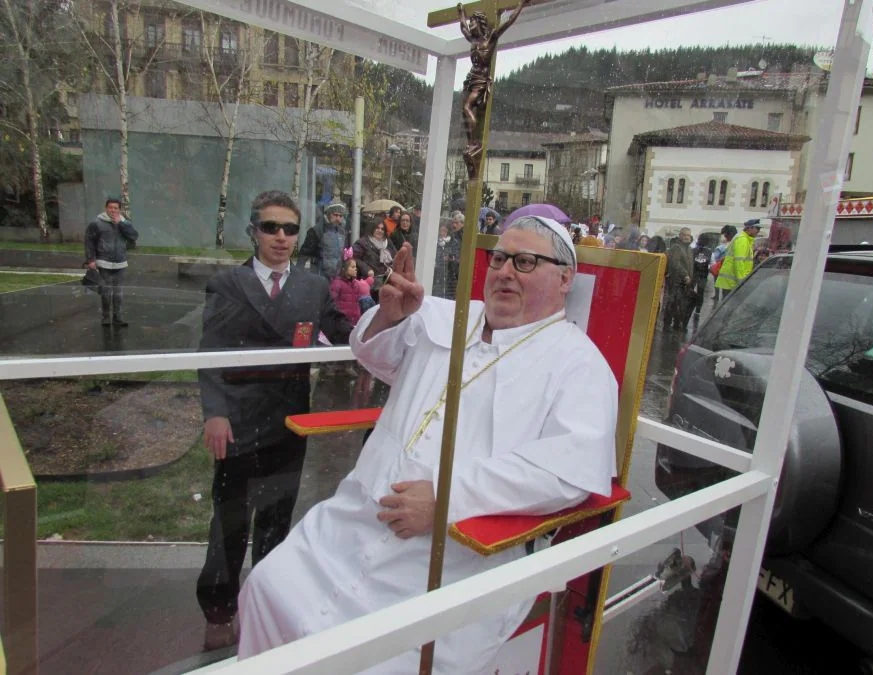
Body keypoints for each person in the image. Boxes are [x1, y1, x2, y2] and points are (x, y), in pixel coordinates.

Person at [237, 215, 618, 673]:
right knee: (265, 587)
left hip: (453, 555)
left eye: (524, 262)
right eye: (498, 258)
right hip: (355, 519)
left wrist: (445, 498)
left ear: (564, 279)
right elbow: (377, 357)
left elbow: (567, 471)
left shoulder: (579, 363)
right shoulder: (447, 314)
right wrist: (390, 316)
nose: (503, 272)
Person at [195, 190, 352, 651]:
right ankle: (220, 610)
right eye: (271, 227)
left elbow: (344, 332)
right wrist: (215, 413)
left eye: (290, 229)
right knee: (230, 519)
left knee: (276, 518)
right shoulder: (228, 284)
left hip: (289, 421)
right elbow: (209, 353)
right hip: (238, 422)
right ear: (253, 231)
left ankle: (265, 601)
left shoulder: (312, 287)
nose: (281, 237)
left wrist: (388, 316)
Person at [457, 0, 530, 177]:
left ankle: (474, 142)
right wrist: (461, 14)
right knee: (465, 110)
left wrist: (520, 5)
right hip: (471, 78)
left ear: (480, 24)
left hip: (481, 79)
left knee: (467, 107)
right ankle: (472, 142)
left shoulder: (490, 38)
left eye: (474, 22)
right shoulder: (473, 40)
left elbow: (509, 21)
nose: (471, 25)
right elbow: (463, 28)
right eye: (471, 22)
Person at [84, 197, 138, 327]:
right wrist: (90, 260)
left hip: (120, 263)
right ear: (106, 208)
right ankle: (106, 318)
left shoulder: (124, 222)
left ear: (119, 210)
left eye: (116, 208)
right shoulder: (97, 223)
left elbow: (134, 236)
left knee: (118, 293)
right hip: (104, 262)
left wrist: (121, 224)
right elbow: (89, 242)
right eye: (110, 207)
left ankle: (118, 318)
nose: (113, 210)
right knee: (106, 292)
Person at [298, 199, 350, 280]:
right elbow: (304, 253)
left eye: (340, 216)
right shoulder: (317, 230)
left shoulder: (342, 232)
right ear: (329, 214)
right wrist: (298, 273)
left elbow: (343, 254)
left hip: (337, 276)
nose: (338, 218)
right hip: (319, 275)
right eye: (335, 215)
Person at [714, 219, 760, 300]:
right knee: (728, 308)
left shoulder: (744, 239)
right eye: (757, 228)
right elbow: (739, 262)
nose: (758, 231)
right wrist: (741, 281)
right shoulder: (742, 240)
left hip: (732, 281)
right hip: (733, 282)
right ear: (749, 228)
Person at [353, 221, 398, 293]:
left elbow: (396, 257)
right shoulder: (362, 242)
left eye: (382, 229)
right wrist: (367, 269)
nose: (380, 230)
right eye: (377, 228)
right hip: (368, 283)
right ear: (372, 229)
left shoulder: (388, 242)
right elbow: (354, 258)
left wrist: (391, 268)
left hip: (386, 282)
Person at [330, 255, 374, 327]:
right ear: (344, 269)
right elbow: (332, 302)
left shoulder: (355, 284)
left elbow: (365, 287)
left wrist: (369, 280)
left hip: (355, 322)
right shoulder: (337, 283)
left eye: (356, 267)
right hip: (342, 323)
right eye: (353, 267)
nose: (356, 269)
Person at [664, 228, 694, 331]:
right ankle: (667, 325)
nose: (687, 237)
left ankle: (677, 323)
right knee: (672, 302)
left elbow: (690, 265)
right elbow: (675, 263)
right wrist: (685, 275)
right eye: (685, 235)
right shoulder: (676, 247)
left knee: (681, 303)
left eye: (688, 235)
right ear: (680, 236)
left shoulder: (689, 248)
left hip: (685, 282)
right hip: (676, 281)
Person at [689, 233, 713, 325]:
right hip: (702, 275)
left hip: (695, 274)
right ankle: (697, 311)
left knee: (692, 292)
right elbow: (712, 264)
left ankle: (691, 309)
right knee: (700, 293)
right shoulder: (710, 252)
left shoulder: (693, 250)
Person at [710, 225, 737, 303]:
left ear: (730, 234)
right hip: (728, 276)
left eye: (725, 235)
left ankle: (717, 297)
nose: (725, 237)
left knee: (726, 299)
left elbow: (716, 256)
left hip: (729, 277)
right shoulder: (732, 243)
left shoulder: (732, 244)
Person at [432, 221, 453, 298]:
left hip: (447, 271)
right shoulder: (435, 242)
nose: (442, 233)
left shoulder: (450, 242)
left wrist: (449, 257)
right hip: (437, 269)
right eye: (441, 231)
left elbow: (453, 255)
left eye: (445, 231)